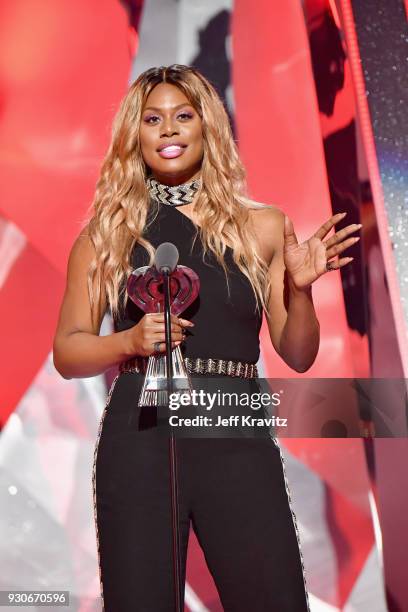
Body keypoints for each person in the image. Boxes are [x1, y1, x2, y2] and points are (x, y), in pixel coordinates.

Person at [53, 64, 361, 611]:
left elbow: (298, 353)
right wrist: (129, 342)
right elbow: (68, 350)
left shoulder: (262, 225)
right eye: (153, 119)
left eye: (183, 116)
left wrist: (301, 288)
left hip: (234, 426)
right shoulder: (108, 233)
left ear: (206, 126)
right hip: (142, 430)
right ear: (135, 134)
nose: (168, 130)